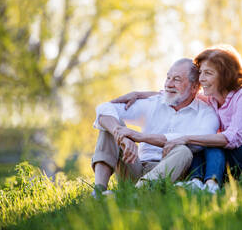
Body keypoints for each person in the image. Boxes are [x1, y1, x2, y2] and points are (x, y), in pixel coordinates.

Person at [114, 45, 242, 194]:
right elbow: (180, 93)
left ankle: (211, 185)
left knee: (206, 142)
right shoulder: (213, 99)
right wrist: (139, 94)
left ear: (224, 75)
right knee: (199, 144)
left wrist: (187, 138)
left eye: (208, 73)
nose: (201, 79)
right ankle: (196, 183)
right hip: (240, 156)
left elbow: (232, 138)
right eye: (201, 73)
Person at [91, 58, 220, 197]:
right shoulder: (153, 103)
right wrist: (120, 135)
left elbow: (199, 140)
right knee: (111, 126)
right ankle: (98, 192)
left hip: (171, 171)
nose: (169, 84)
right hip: (135, 165)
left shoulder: (206, 113)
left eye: (176, 79)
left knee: (184, 150)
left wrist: (140, 137)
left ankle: (138, 193)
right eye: (168, 77)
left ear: (194, 87)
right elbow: (105, 108)